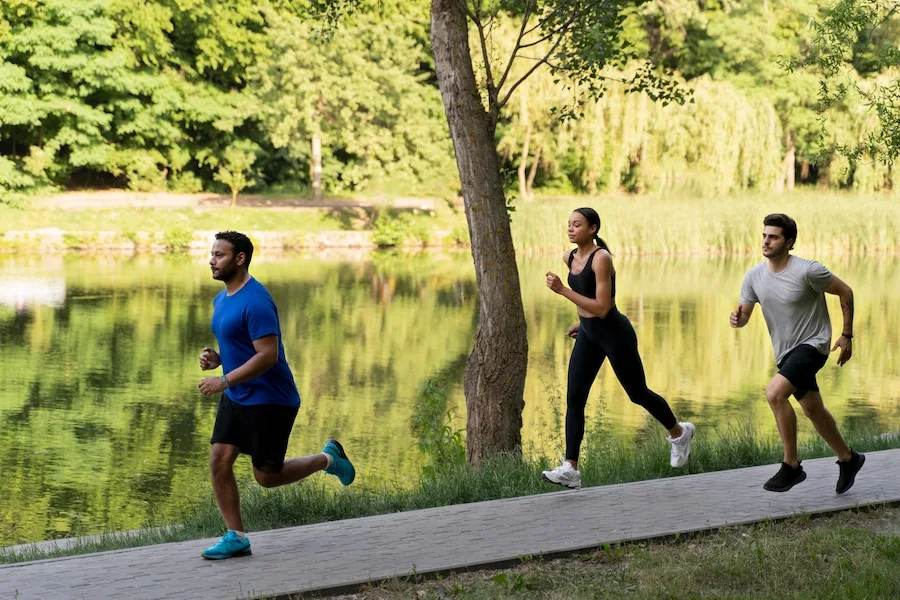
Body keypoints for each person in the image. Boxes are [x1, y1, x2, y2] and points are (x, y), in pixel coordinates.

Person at [197, 231, 355, 559]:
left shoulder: (256, 301)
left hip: (271, 401)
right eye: (212, 254)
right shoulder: (221, 299)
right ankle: (236, 536)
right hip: (240, 395)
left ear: (240, 259)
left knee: (267, 477)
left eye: (219, 255)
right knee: (219, 459)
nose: (212, 260)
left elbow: (267, 356)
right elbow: (243, 348)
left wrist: (224, 380)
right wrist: (217, 359)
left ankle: (328, 458)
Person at [541, 208, 695, 490]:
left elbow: (602, 307)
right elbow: (587, 300)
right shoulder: (570, 257)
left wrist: (563, 291)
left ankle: (679, 432)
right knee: (575, 398)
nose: (571, 229)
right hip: (589, 334)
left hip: (614, 334)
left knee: (637, 393)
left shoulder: (602, 258)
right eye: (569, 224)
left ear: (593, 228)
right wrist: (581, 320)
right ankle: (570, 469)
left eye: (577, 225)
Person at [731, 213, 864, 494]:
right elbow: (744, 317)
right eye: (764, 235)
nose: (766, 241)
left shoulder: (808, 271)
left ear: (789, 242)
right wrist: (737, 319)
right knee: (813, 409)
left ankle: (791, 466)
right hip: (785, 352)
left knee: (775, 393)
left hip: (814, 345)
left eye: (774, 236)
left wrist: (847, 335)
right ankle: (848, 458)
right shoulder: (754, 276)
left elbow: (846, 291)